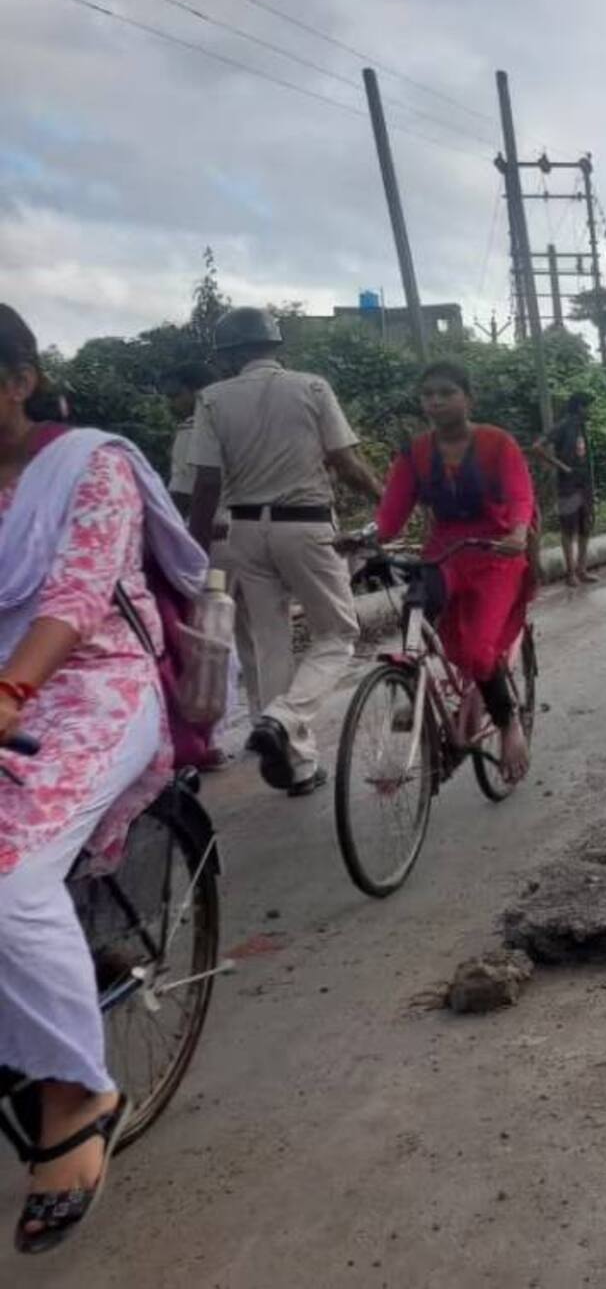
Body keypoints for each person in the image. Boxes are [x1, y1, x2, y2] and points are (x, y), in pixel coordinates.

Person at [0, 304, 212, 1256]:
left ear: (21, 381)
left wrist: (11, 690)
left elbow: (79, 597)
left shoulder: (93, 465)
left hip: (95, 685)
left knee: (8, 879)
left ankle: (79, 1091)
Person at [185, 307, 381, 797]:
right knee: (338, 632)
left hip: (243, 531)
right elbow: (345, 462)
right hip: (306, 525)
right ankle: (283, 718)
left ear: (227, 355)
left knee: (271, 642)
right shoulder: (311, 387)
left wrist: (193, 550)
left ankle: (296, 766)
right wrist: (388, 499)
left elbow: (205, 484)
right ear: (275, 345)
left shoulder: (212, 399)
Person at [373, 363, 537, 783]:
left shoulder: (497, 443)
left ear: (468, 398)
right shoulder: (415, 453)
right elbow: (390, 516)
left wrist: (519, 531)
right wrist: (362, 539)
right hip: (444, 553)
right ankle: (413, 683)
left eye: (446, 392)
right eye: (428, 394)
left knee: (481, 651)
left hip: (496, 553)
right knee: (416, 607)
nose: (436, 401)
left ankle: (508, 724)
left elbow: (520, 495)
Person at [532, 392, 596, 587]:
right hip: (568, 486)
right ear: (580, 407)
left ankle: (582, 569)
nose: (592, 411)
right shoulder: (563, 426)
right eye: (589, 407)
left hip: (584, 484)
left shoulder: (582, 426)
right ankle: (570, 573)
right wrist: (561, 466)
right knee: (569, 529)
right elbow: (537, 447)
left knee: (585, 527)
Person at [160, 364, 212, 521]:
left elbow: (182, 491)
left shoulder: (191, 430)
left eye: (175, 395)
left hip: (201, 522)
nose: (171, 403)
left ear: (198, 392)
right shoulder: (233, 423)